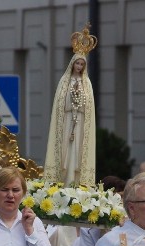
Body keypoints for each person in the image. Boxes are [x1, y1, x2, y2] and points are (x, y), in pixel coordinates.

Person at [44, 49, 96, 186]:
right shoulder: (65, 81)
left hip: (80, 121)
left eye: (81, 64)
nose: (79, 66)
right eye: (77, 63)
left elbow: (89, 106)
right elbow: (60, 103)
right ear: (72, 64)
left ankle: (77, 181)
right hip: (67, 120)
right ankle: (63, 179)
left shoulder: (87, 83)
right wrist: (71, 98)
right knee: (65, 148)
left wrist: (79, 100)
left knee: (78, 149)